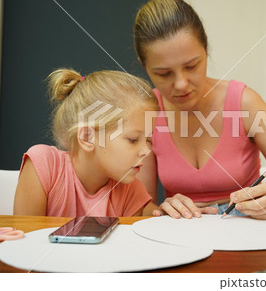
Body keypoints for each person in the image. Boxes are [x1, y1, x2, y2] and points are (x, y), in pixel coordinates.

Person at [133, 0, 266, 220]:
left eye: (192, 66)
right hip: (184, 235)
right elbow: (142, 206)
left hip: (248, 233)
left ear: (206, 50)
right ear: (144, 66)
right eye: (164, 73)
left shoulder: (245, 103)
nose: (181, 84)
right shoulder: (147, 113)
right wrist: (158, 210)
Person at [14, 69, 158, 217]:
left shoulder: (132, 191)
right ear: (88, 137)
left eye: (148, 140)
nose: (146, 151)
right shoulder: (44, 166)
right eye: (133, 139)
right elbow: (27, 236)